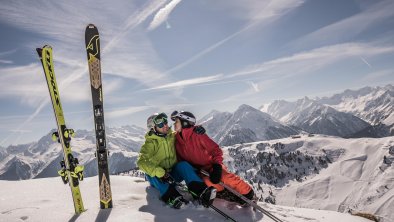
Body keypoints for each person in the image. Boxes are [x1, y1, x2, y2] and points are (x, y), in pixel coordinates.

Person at [171, 110, 256, 205]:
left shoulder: (198, 135)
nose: (174, 124)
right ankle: (224, 194)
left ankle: (249, 194)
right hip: (199, 171)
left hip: (212, 165)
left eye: (177, 121)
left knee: (225, 177)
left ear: (185, 123)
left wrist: (217, 167)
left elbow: (216, 150)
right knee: (208, 182)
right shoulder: (176, 139)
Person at [137, 112, 217, 209]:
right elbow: (141, 161)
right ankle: (171, 197)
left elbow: (185, 132)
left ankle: (201, 191)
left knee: (183, 165)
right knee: (150, 174)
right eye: (160, 124)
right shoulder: (150, 143)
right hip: (159, 178)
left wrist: (196, 129)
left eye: (165, 122)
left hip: (172, 176)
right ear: (153, 128)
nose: (165, 126)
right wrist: (160, 173)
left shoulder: (171, 136)